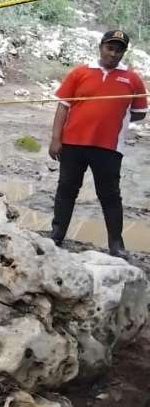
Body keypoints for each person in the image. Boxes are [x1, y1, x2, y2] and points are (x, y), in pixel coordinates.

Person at [49, 31, 147, 257]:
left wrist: (113, 119)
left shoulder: (132, 79)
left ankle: (116, 244)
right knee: (67, 189)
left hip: (109, 147)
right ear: (101, 47)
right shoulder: (80, 73)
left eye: (118, 50)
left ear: (124, 52)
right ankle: (56, 235)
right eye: (109, 48)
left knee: (110, 195)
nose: (113, 54)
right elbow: (63, 106)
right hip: (73, 143)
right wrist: (56, 139)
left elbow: (139, 113)